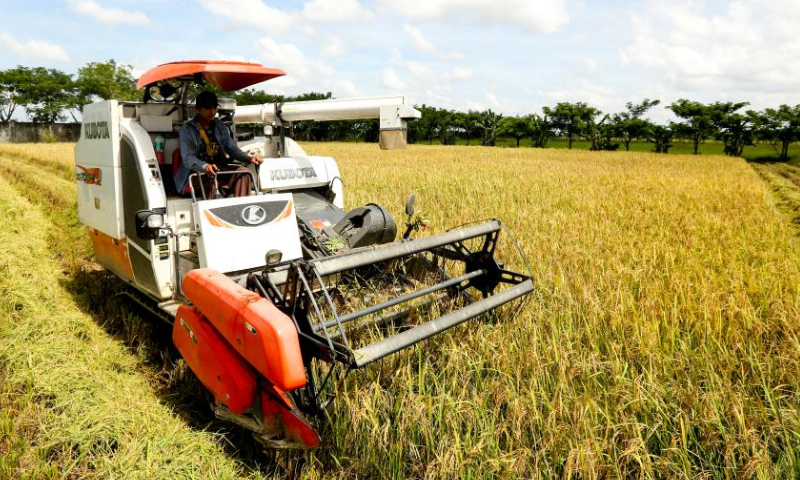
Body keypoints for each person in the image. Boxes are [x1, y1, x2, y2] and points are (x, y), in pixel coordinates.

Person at [176, 91, 263, 198]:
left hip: (219, 169)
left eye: (215, 107)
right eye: (208, 107)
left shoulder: (220, 126)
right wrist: (205, 166)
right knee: (212, 178)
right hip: (196, 173)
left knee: (244, 173)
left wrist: (249, 159)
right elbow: (188, 158)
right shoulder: (187, 130)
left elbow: (232, 149)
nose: (212, 111)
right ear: (198, 108)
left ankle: (241, 208)